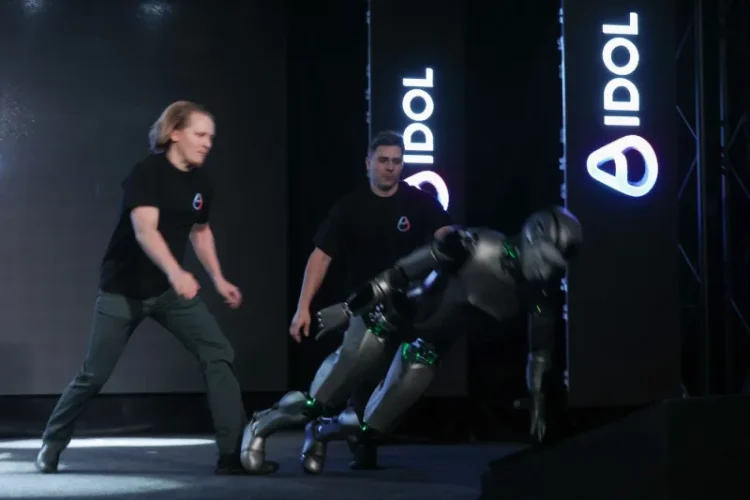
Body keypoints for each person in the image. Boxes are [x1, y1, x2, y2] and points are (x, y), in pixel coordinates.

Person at [35, 101, 275, 476]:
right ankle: (52, 442)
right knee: (94, 375)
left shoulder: (202, 181)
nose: (208, 143)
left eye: (211, 137)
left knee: (218, 353)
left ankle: (232, 455)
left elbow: (200, 232)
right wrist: (177, 272)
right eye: (200, 134)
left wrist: (218, 279)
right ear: (174, 133)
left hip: (168, 293)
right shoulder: (147, 173)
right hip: (123, 291)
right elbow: (145, 230)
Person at [298, 206, 582, 474]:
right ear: (533, 236)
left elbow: (539, 351)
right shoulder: (474, 245)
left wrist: (537, 396)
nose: (546, 271)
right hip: (392, 316)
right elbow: (400, 274)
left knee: (371, 425)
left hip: (427, 345)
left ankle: (322, 431)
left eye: (554, 267)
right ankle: (288, 424)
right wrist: (349, 309)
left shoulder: (536, 296)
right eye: (546, 260)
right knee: (318, 398)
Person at [240, 130, 453, 473]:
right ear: (368, 163)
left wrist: (456, 242)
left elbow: (446, 235)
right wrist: (303, 307)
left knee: (393, 393)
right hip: (364, 310)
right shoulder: (350, 207)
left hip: (406, 310)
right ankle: (275, 424)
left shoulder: (419, 202)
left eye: (396, 161)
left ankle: (334, 435)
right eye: (383, 161)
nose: (390, 168)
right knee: (339, 386)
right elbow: (320, 257)